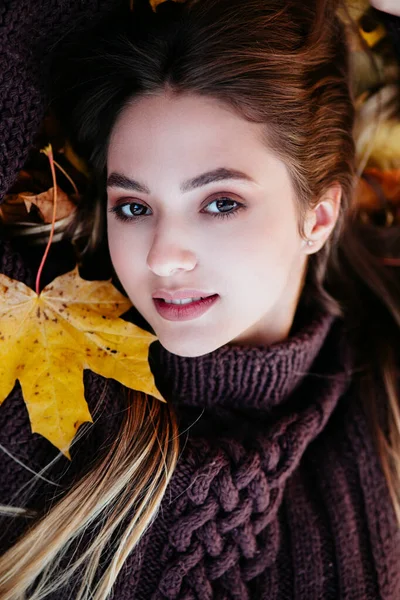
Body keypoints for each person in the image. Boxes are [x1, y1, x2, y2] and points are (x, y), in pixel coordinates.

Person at [0, 0, 399, 598]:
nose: (162, 256)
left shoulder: (386, 407)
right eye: (134, 207)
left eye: (220, 202)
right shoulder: (30, 396)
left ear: (318, 216)